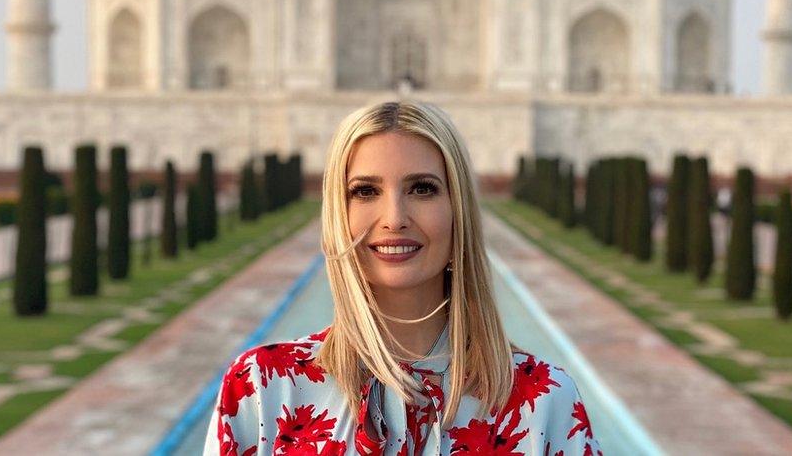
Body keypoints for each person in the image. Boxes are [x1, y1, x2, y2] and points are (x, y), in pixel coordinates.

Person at [203, 100, 601, 455]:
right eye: (365, 192)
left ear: (457, 209)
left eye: (423, 189)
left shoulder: (543, 401)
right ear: (338, 214)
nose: (394, 218)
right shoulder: (265, 390)